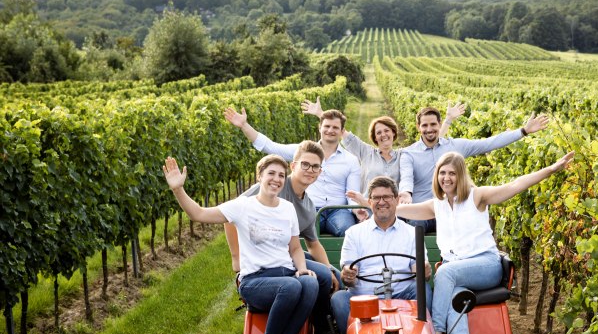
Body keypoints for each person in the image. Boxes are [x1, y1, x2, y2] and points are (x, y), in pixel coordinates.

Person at [394, 151, 574, 334]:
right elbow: (398, 210)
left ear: (460, 175)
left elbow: (515, 185)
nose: (446, 178)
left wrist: (550, 169)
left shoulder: (476, 197)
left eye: (452, 173)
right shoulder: (436, 205)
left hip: (484, 264)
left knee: (445, 273)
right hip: (457, 272)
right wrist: (366, 203)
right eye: (442, 172)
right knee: (455, 297)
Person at [162, 154, 319, 334]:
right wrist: (178, 189)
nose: (276, 179)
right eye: (271, 173)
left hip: (285, 273)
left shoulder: (287, 208)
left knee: (311, 284)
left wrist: (302, 268)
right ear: (260, 176)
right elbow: (197, 213)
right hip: (255, 280)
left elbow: (295, 248)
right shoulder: (242, 206)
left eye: (281, 175)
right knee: (292, 287)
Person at [223, 140, 340, 334]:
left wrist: (331, 269)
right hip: (271, 260)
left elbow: (313, 245)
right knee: (321, 277)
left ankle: (336, 330)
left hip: (291, 255)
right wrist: (236, 256)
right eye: (305, 164)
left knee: (334, 276)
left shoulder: (308, 205)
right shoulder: (273, 184)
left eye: (315, 167)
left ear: (319, 172)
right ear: (293, 166)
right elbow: (229, 215)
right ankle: (321, 329)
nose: (309, 170)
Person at [398, 106, 551, 232]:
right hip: (421, 213)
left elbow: (489, 143)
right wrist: (405, 194)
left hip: (451, 211)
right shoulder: (409, 153)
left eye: (433, 124)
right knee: (413, 229)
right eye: (425, 125)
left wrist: (523, 131)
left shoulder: (455, 146)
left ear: (439, 124)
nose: (429, 129)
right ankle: (416, 268)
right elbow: (406, 178)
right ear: (418, 127)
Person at [224, 106, 363, 236]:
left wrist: (357, 210)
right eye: (327, 126)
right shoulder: (302, 150)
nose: (330, 130)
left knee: (350, 232)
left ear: (341, 131)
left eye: (335, 127)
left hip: (339, 210)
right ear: (320, 127)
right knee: (292, 232)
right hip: (308, 208)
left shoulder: (350, 160)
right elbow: (270, 146)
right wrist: (244, 125)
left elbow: (352, 195)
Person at [331, 176, 432, 334]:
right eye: (376, 198)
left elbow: (418, 270)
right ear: (369, 201)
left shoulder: (411, 233)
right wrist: (348, 275)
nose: (381, 202)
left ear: (397, 200)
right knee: (339, 298)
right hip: (365, 297)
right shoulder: (354, 233)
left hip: (402, 293)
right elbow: (349, 273)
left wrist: (423, 271)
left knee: (422, 288)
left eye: (387, 197)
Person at [301, 97, 465, 194]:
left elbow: (433, 142)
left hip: (394, 210)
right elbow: (340, 131)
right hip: (368, 208)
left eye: (387, 130)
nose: (383, 135)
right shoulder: (366, 152)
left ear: (394, 133)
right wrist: (320, 114)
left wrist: (448, 121)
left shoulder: (404, 155)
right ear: (374, 137)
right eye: (378, 132)